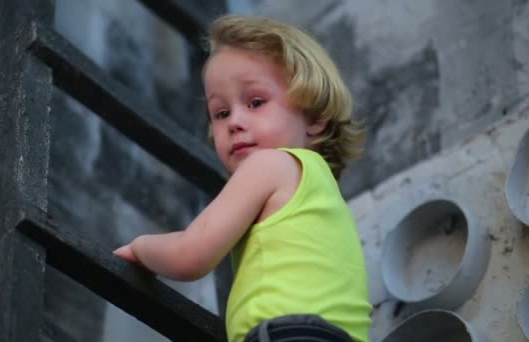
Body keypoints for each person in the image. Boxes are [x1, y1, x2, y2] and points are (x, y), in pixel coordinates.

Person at [114, 14, 372, 342]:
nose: (234, 121)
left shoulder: (270, 164)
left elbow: (189, 255)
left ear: (315, 115)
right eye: (221, 113)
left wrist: (140, 247)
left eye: (255, 102)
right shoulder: (323, 198)